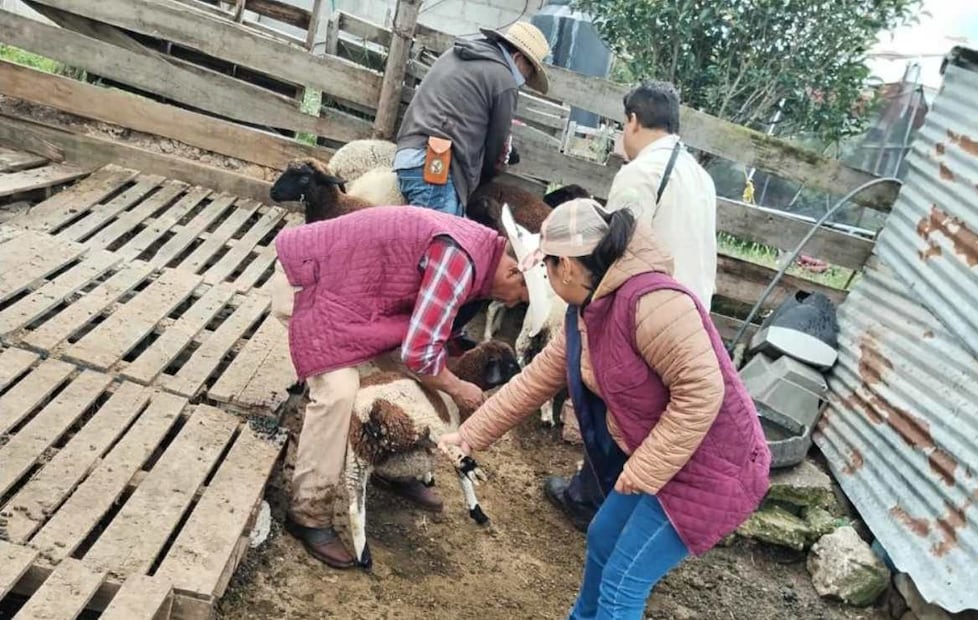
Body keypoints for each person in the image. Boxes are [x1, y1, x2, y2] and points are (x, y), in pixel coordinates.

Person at [439, 198, 769, 619]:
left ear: (570, 267)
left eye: (548, 267)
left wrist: (645, 467)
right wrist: (469, 436)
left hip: (711, 470)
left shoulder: (654, 303)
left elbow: (703, 392)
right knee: (603, 536)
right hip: (663, 457)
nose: (545, 278)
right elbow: (535, 381)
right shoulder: (586, 313)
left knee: (623, 583)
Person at [270, 205, 550, 569]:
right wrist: (458, 387)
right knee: (339, 392)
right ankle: (308, 512)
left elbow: (420, 348)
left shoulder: (477, 252)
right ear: (514, 272)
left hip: (354, 292)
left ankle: (392, 466)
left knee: (403, 381)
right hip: (311, 282)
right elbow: (419, 354)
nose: (509, 303)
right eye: (519, 297)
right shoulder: (459, 261)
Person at [544, 81, 721, 530]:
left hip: (645, 311)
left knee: (611, 398)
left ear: (634, 121)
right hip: (689, 311)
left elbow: (610, 254)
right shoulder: (701, 178)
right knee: (651, 413)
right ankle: (612, 497)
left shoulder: (640, 173)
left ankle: (593, 498)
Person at [393, 21, 550, 216]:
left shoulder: (455, 54)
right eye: (529, 71)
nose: (525, 79)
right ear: (518, 58)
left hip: (408, 156)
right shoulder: (503, 80)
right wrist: (488, 174)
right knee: (441, 239)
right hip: (435, 167)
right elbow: (496, 146)